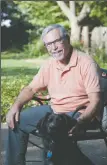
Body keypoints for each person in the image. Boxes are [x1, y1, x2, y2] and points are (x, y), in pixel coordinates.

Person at [5, 24, 107, 165]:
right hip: (55, 111)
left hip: (78, 113)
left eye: (56, 42)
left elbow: (95, 102)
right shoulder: (50, 64)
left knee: (55, 130)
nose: (53, 48)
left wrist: (81, 121)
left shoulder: (86, 63)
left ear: (67, 39)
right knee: (17, 120)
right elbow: (30, 89)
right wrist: (16, 106)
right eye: (48, 44)